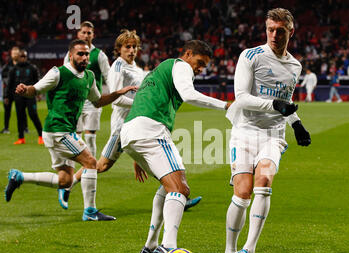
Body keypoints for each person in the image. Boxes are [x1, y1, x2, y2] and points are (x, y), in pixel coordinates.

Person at [60, 30, 203, 213]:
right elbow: (117, 98)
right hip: (122, 125)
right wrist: (141, 104)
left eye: (134, 46)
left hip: (137, 124)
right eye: (127, 46)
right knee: (101, 165)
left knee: (150, 161)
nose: (132, 50)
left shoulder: (136, 69)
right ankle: (67, 184)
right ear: (119, 49)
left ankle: (178, 194)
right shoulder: (118, 67)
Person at [119, 40, 231, 253]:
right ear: (187, 54)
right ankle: (168, 246)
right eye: (199, 62)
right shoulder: (180, 66)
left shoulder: (158, 71)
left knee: (167, 185)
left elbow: (143, 100)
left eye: (204, 66)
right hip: (151, 130)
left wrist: (138, 154)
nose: (200, 69)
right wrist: (226, 105)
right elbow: (189, 95)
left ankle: (150, 245)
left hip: (131, 133)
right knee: (180, 189)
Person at [4, 39, 137, 221]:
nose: (84, 57)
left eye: (86, 54)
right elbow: (35, 89)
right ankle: (90, 212)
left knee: (65, 180)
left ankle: (19, 177)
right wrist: (24, 89)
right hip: (58, 131)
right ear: (71, 55)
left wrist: (117, 93)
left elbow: (98, 101)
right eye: (80, 54)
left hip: (64, 131)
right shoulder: (58, 73)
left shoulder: (89, 76)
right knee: (90, 162)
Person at [223, 8, 311, 253]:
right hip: (245, 131)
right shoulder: (250, 56)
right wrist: (276, 105)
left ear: (290, 32)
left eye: (280, 31)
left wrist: (297, 124)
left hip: (273, 135)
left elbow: (286, 101)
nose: (274, 35)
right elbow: (241, 97)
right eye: (270, 29)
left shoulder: (295, 65)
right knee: (243, 191)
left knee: (264, 182)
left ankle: (248, 250)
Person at [64, 21, 110, 157]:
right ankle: (76, 168)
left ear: (93, 35)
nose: (85, 35)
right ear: (78, 34)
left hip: (93, 101)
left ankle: (91, 169)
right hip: (75, 100)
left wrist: (114, 95)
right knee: (75, 136)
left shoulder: (99, 55)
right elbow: (65, 74)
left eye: (88, 33)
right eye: (83, 32)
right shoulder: (70, 54)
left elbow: (108, 76)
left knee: (90, 136)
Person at [5, 49, 43, 145]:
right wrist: (6, 96)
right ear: (18, 57)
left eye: (24, 56)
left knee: (33, 115)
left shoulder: (32, 68)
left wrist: (38, 94)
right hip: (18, 97)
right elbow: (9, 84)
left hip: (30, 96)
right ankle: (21, 138)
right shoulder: (13, 69)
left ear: (26, 57)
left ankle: (41, 136)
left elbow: (38, 82)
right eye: (21, 56)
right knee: (20, 116)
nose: (22, 58)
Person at [1, 46, 20, 134]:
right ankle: (6, 128)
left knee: (21, 110)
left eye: (16, 53)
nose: (15, 55)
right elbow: (5, 81)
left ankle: (24, 128)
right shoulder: (6, 67)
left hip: (20, 92)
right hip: (9, 92)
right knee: (7, 111)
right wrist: (5, 95)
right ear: (11, 54)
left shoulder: (23, 66)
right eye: (13, 53)